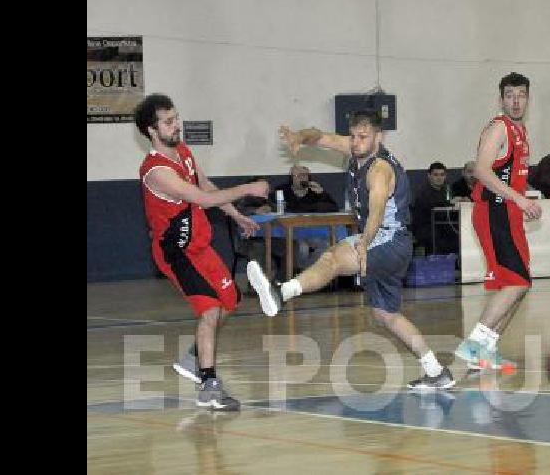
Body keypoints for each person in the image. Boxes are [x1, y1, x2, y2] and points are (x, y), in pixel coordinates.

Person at [247, 109, 455, 390]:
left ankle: (282, 292)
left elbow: (377, 212)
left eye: (363, 137)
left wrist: (364, 244)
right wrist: (300, 137)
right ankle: (436, 371)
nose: (355, 142)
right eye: (353, 136)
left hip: (387, 239)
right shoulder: (356, 148)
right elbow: (320, 136)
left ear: (378, 137)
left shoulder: (380, 170)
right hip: (391, 242)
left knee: (332, 258)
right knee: (386, 315)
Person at [134, 93, 272, 410]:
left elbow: (207, 185)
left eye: (176, 117)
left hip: (199, 245)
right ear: (152, 131)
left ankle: (193, 357)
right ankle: (209, 385)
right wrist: (248, 189)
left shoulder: (182, 152)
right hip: (176, 252)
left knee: (230, 302)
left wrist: (236, 214)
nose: (176, 125)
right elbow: (200, 198)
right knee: (210, 311)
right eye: (168, 122)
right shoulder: (156, 171)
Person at [454, 72, 543, 373]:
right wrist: (518, 199)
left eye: (521, 94)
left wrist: (523, 198)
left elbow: (509, 174)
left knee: (519, 284)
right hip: (494, 211)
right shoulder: (499, 128)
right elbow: (480, 170)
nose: (516, 100)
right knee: (517, 282)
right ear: (501, 98)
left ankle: (485, 350)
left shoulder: (521, 131)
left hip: (508, 212)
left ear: (528, 98)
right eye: (510, 95)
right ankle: (474, 345)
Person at [271, 165, 339, 269]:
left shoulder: (314, 191)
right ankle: (300, 275)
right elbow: (283, 208)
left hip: (312, 231)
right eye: (298, 175)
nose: (302, 178)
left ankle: (308, 274)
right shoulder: (282, 190)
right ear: (292, 178)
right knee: (302, 248)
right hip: (290, 232)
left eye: (305, 175)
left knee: (326, 245)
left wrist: (322, 194)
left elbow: (333, 207)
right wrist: (313, 208)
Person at [411, 162, 459, 255]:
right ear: (429, 176)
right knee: (441, 235)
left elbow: (449, 205)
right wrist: (450, 203)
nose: (439, 178)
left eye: (442, 175)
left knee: (459, 231)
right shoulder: (423, 193)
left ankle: (457, 262)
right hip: (426, 227)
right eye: (436, 175)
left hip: (444, 224)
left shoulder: (447, 190)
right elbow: (433, 209)